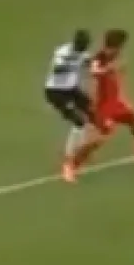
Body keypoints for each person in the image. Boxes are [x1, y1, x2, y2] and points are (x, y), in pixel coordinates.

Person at [63, 29, 134, 182]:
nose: (121, 50)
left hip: (118, 103)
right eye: (120, 46)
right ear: (113, 46)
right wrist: (110, 69)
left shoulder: (116, 56)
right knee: (98, 140)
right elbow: (94, 72)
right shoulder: (100, 57)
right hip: (104, 106)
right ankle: (71, 165)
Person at [44, 30, 94, 164]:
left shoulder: (84, 54)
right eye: (81, 46)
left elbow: (91, 65)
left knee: (92, 111)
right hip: (55, 91)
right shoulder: (62, 52)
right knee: (79, 122)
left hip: (71, 89)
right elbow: (57, 69)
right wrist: (75, 63)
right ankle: (69, 154)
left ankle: (82, 148)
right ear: (76, 43)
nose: (83, 49)